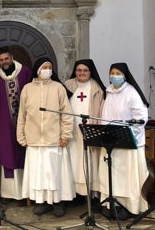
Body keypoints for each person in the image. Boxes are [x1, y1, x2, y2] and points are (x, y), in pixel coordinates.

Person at [17, 57, 75, 217]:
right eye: (44, 67)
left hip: (54, 140)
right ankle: (42, 202)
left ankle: (58, 202)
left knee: (55, 173)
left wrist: (66, 135)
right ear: (38, 70)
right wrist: (21, 136)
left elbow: (67, 114)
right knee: (39, 174)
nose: (47, 70)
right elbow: (22, 114)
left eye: (50, 67)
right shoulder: (27, 89)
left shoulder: (58, 88)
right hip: (34, 140)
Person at [97, 62, 149, 220]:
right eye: (112, 72)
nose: (114, 76)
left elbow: (141, 119)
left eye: (118, 73)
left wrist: (124, 133)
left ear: (125, 75)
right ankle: (113, 204)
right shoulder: (109, 92)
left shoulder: (132, 93)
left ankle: (130, 207)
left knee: (126, 177)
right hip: (110, 141)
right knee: (112, 175)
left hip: (128, 142)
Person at [0, 47, 31, 201]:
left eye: (6, 59)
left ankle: (25, 193)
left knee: (23, 154)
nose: (4, 62)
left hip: (24, 123)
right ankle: (9, 194)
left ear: (11, 58)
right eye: (1, 60)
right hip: (5, 125)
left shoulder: (24, 72)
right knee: (8, 154)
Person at [64, 59, 106, 205]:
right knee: (72, 162)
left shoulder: (97, 88)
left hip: (90, 130)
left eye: (85, 70)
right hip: (72, 131)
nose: (82, 73)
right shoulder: (68, 85)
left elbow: (101, 111)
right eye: (79, 70)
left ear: (90, 72)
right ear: (75, 71)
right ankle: (74, 193)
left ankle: (91, 194)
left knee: (90, 162)